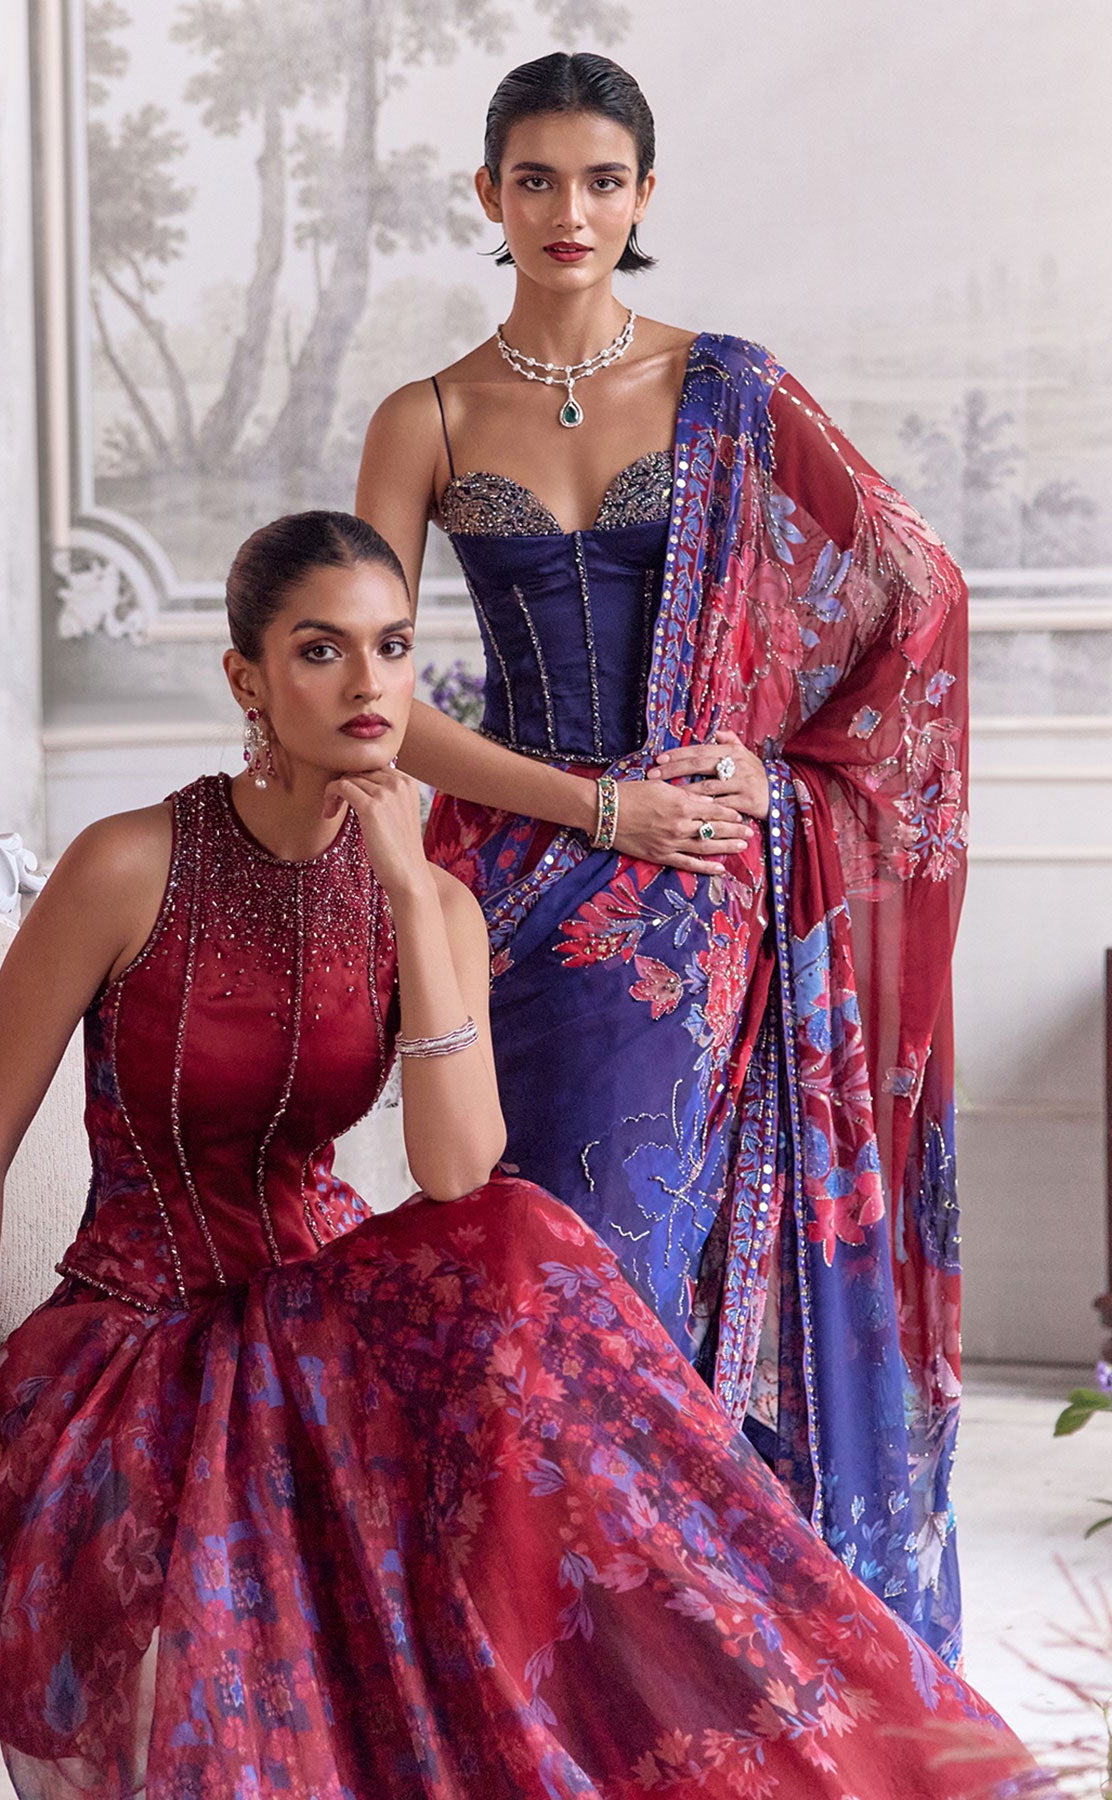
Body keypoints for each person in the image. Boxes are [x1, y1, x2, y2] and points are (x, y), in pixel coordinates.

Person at [0, 512, 1039, 1798]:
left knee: (520, 1255)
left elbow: (458, 1172)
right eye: (321, 650)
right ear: (247, 679)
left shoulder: (433, 898)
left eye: (392, 647)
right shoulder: (128, 863)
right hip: (139, 1333)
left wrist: (407, 888)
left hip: (315, 1318)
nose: (367, 682)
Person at [356, 51, 971, 1663]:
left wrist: (776, 777)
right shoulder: (425, 417)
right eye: (536, 179)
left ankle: (663, 1658)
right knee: (506, 1270)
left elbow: (922, 598)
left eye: (603, 180)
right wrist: (593, 812)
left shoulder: (731, 388)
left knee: (621, 1274)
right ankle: (531, 1654)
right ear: (487, 194)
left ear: (645, 196)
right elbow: (375, 707)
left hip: (688, 897)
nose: (570, 210)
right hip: (499, 894)